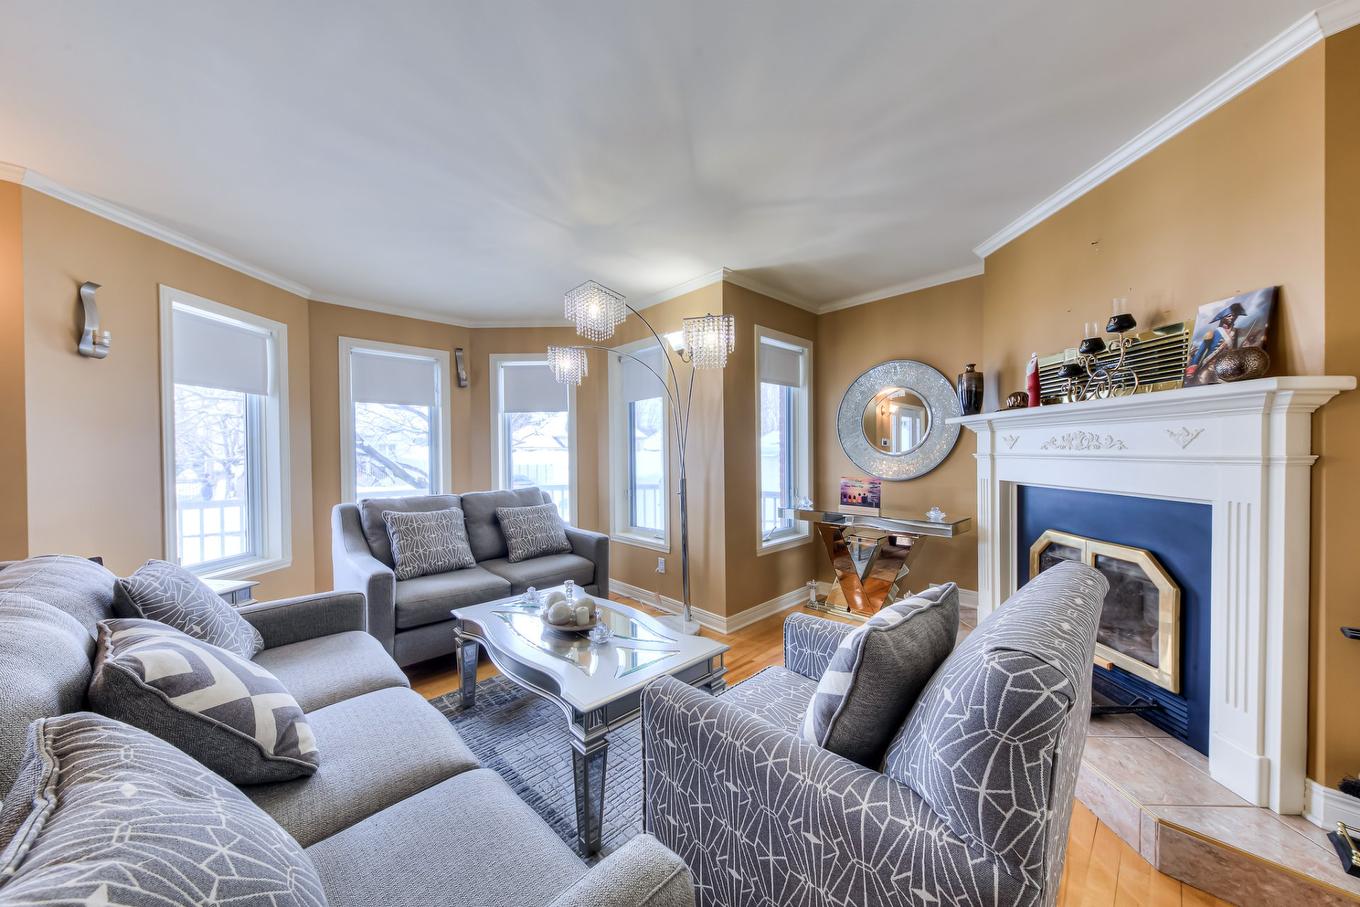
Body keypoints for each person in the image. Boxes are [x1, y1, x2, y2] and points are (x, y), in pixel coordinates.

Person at [1187, 301, 1246, 385]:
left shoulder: (1235, 333)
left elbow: (1235, 350)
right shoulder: (1212, 333)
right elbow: (1200, 352)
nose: (1232, 318)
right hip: (1210, 365)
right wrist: (1193, 367)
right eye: (1229, 315)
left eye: (1234, 316)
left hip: (1226, 367)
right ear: (1223, 317)